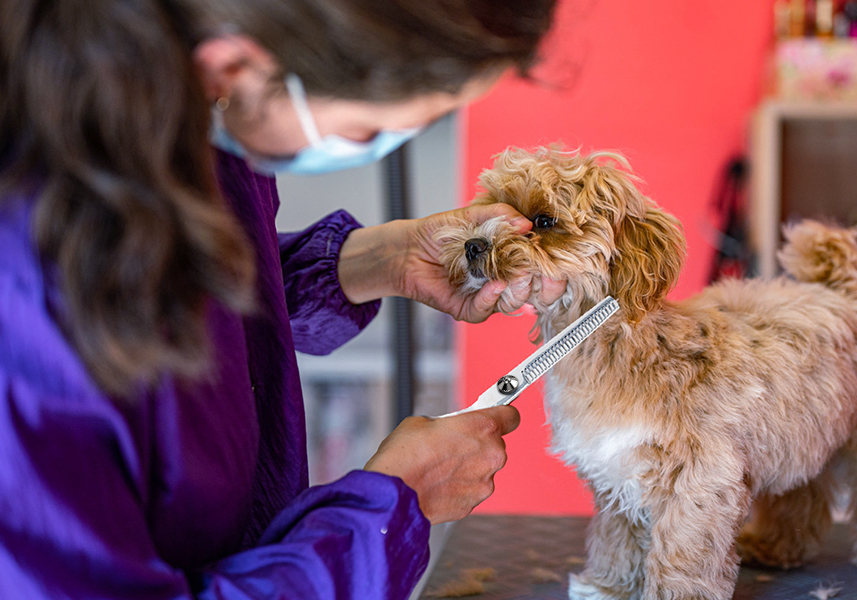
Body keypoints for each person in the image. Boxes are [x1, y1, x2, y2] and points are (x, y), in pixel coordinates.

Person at [0, 0, 563, 598]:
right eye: (365, 131)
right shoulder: (25, 298)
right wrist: (389, 512)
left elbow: (197, 307)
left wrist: (378, 261)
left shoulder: (199, 109)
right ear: (236, 66)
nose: (374, 145)